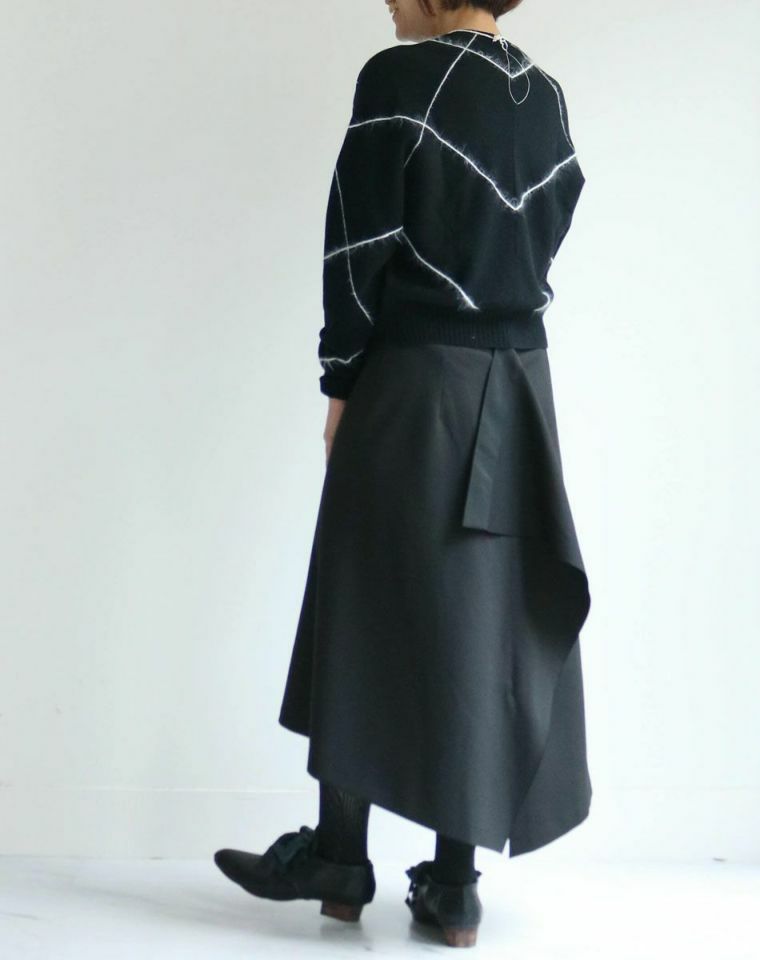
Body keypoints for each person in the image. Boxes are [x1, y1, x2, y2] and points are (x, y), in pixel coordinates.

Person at [215, 0, 592, 948]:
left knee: (365, 596)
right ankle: (454, 887)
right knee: (480, 615)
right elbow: (551, 222)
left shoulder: (399, 80)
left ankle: (340, 858)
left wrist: (341, 378)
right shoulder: (545, 95)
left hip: (417, 376)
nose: (385, 0)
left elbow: (357, 244)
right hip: (520, 381)